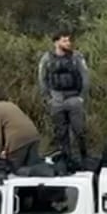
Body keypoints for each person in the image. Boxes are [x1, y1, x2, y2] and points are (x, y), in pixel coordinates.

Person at [37, 30, 90, 165]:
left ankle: (84, 157)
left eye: (68, 40)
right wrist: (48, 98)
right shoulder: (47, 58)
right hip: (56, 99)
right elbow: (42, 78)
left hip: (73, 97)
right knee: (61, 132)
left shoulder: (76, 57)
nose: (68, 43)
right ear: (56, 42)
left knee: (79, 130)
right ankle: (66, 159)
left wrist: (82, 97)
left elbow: (85, 77)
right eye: (64, 40)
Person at [0, 98, 42, 169]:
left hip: (18, 140)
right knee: (33, 164)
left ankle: (44, 172)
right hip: (34, 136)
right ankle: (50, 170)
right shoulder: (10, 104)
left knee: (14, 168)